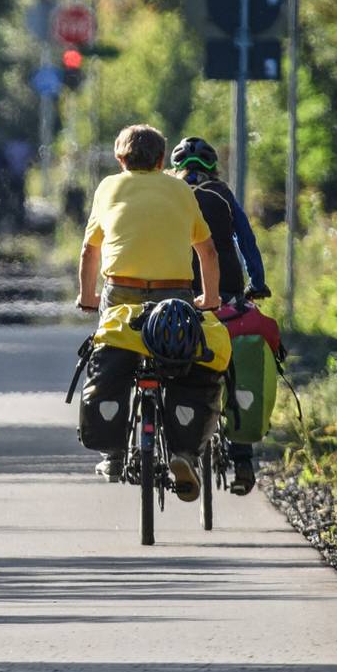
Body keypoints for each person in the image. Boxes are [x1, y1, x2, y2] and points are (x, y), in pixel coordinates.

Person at [76, 124, 222, 501]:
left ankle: (113, 453)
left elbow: (90, 251)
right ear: (162, 160)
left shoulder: (108, 187)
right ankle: (185, 452)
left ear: (120, 159)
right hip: (173, 292)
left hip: (121, 291)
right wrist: (211, 298)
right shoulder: (179, 189)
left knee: (113, 354)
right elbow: (207, 251)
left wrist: (87, 296)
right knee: (184, 364)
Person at [170, 136, 271, 495]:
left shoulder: (169, 192)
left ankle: (179, 444)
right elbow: (246, 240)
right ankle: (242, 459)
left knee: (174, 362)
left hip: (178, 291)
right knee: (231, 368)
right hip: (225, 293)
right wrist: (257, 283)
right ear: (213, 167)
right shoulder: (223, 194)